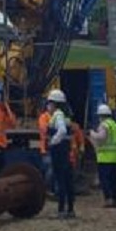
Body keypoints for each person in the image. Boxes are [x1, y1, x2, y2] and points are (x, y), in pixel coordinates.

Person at [45, 88, 76, 218]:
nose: (48, 106)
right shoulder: (66, 115)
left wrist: (53, 141)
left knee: (60, 180)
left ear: (54, 103)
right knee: (68, 180)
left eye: (49, 103)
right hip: (66, 150)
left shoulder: (58, 115)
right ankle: (70, 209)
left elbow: (62, 131)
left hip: (59, 151)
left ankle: (61, 210)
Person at [89, 102, 116, 207]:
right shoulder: (115, 125)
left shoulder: (104, 125)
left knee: (105, 180)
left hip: (105, 158)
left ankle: (108, 199)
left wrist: (92, 134)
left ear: (101, 116)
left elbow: (101, 138)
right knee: (114, 180)